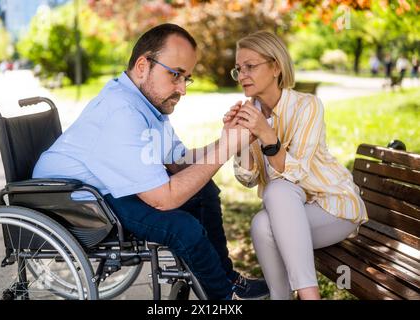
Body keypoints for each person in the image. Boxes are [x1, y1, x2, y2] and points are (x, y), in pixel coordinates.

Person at [32, 23, 269, 300]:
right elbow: (163, 199)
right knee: (182, 227)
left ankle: (227, 280)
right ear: (143, 66)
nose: (183, 89)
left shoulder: (145, 103)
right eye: (176, 75)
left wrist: (227, 139)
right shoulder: (121, 112)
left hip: (104, 187)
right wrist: (227, 148)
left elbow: (180, 161)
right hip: (72, 201)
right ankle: (224, 300)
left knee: (203, 192)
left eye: (186, 78)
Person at [223, 31, 368, 300]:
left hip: (334, 208)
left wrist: (266, 133)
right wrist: (238, 139)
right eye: (238, 69)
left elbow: (296, 173)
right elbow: (248, 177)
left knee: (277, 190)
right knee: (260, 223)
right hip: (290, 213)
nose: (242, 75)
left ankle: (308, 296)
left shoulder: (308, 106)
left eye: (250, 66)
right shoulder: (252, 112)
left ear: (276, 66)